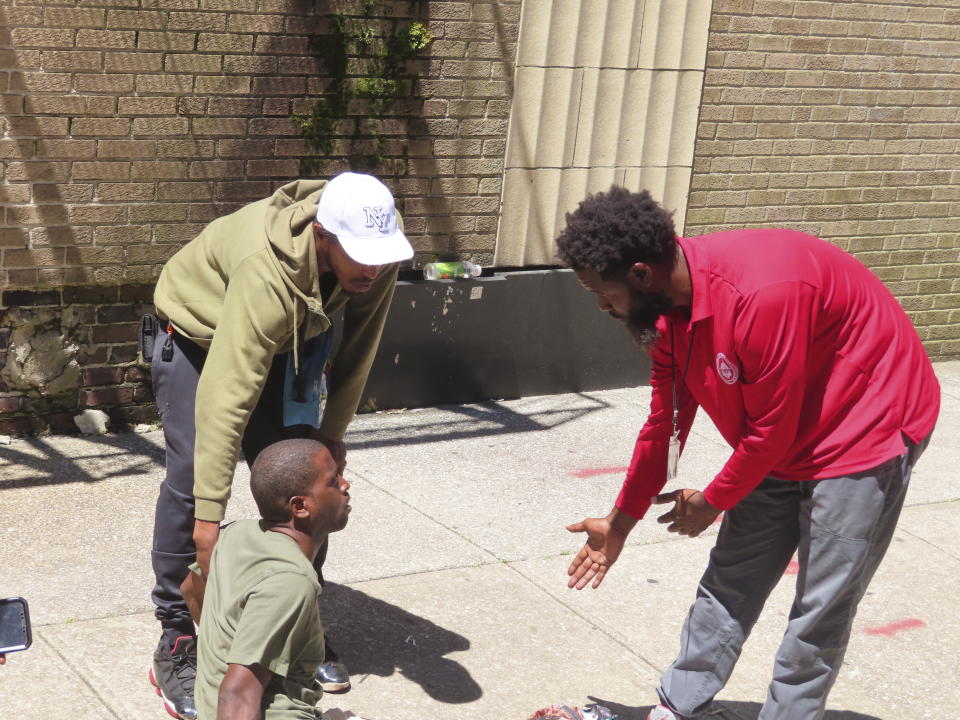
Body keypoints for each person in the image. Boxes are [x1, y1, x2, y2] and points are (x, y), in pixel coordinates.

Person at [557, 187, 939, 720]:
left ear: (641, 274)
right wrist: (619, 523)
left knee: (819, 609)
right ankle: (679, 708)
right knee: (730, 579)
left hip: (864, 430)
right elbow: (662, 425)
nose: (601, 306)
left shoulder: (764, 292)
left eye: (602, 292)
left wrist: (714, 499)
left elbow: (773, 429)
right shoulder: (669, 314)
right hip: (778, 436)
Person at [147, 172, 413, 720]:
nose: (373, 268)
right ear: (322, 235)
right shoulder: (262, 266)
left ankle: (293, 628)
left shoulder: (377, 249)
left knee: (308, 479)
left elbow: (361, 347)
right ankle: (177, 635)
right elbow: (227, 393)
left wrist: (331, 439)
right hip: (198, 338)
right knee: (193, 477)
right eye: (359, 257)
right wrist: (208, 521)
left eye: (381, 257)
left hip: (285, 342)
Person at [182, 438, 351, 720]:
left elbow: (190, 590)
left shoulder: (236, 533)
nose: (346, 485)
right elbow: (237, 696)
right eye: (334, 481)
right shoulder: (291, 581)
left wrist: (225, 643)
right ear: (300, 507)